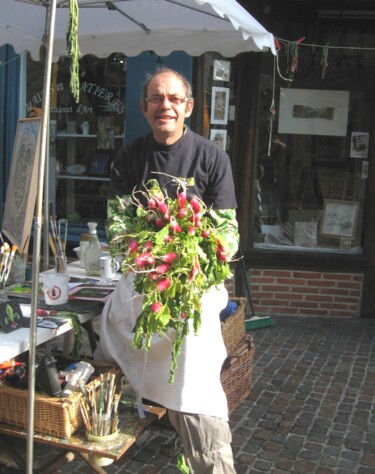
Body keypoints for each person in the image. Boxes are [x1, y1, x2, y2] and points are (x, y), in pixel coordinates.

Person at [94, 67, 239, 473]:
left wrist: (187, 258)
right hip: (143, 278)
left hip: (197, 280)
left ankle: (205, 447)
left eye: (174, 99)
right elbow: (118, 231)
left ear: (188, 107)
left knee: (193, 356)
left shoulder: (212, 158)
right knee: (113, 324)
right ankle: (109, 407)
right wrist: (151, 256)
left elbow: (228, 237)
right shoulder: (128, 158)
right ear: (144, 108)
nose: (166, 106)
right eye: (157, 98)